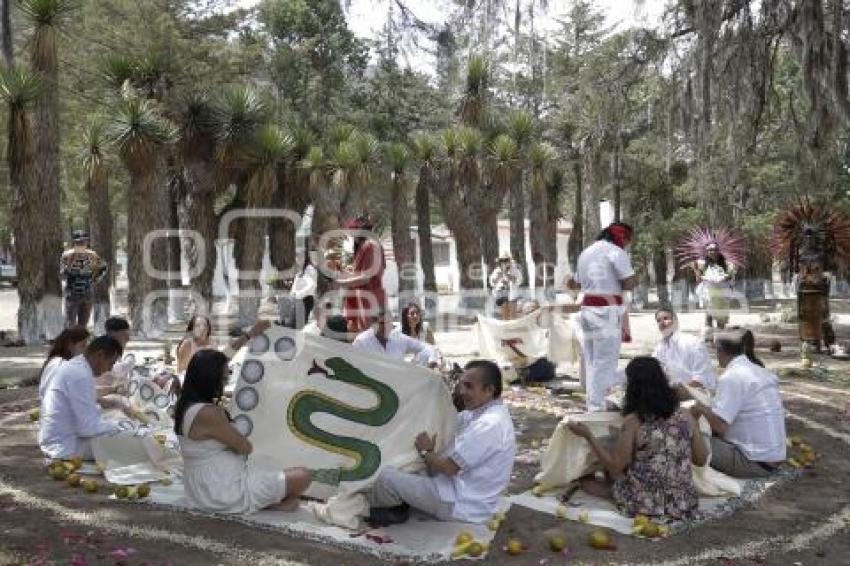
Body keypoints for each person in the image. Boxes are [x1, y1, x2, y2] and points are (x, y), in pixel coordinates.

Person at [366, 360, 515, 526]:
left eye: (469, 386)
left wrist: (426, 452)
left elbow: (449, 468)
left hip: (462, 504)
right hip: (463, 494)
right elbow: (448, 418)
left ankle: (394, 512)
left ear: (489, 390)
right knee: (410, 466)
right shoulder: (480, 413)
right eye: (461, 385)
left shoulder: (490, 424)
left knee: (386, 477)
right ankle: (403, 501)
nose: (462, 391)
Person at [567, 357, 708, 520]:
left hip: (645, 502)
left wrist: (588, 436)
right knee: (621, 465)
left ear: (632, 387)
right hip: (683, 500)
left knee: (587, 480)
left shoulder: (634, 421)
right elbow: (701, 459)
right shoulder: (685, 415)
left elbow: (615, 467)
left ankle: (611, 490)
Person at [174, 349, 311, 513]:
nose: (224, 383)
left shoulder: (184, 406)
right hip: (222, 492)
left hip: (199, 489)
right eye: (224, 378)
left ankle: (267, 500)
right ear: (212, 379)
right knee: (303, 476)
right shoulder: (208, 413)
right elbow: (245, 447)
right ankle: (267, 504)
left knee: (269, 467)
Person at [689, 330, 786, 478]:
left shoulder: (732, 377)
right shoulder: (759, 370)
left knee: (684, 437)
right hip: (773, 457)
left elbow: (720, 427)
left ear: (720, 351)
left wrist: (699, 408)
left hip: (753, 462)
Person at [567, 223, 636, 412]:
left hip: (587, 310)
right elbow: (629, 282)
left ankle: (593, 402)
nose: (628, 244)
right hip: (606, 310)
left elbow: (574, 283)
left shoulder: (586, 252)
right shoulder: (615, 252)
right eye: (629, 240)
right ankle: (598, 407)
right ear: (622, 237)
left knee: (592, 360)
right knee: (605, 361)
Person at [39, 336, 124, 460]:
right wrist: (118, 427)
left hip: (58, 439)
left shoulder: (78, 366)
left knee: (114, 421)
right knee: (132, 441)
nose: (110, 369)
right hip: (64, 446)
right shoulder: (80, 375)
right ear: (100, 355)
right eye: (111, 363)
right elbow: (87, 428)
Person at [337, 216, 386, 333]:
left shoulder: (369, 245)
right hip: (363, 300)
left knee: (369, 338)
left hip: (369, 300)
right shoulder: (365, 247)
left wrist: (341, 282)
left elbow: (366, 278)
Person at [176, 315, 270, 374]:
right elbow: (181, 371)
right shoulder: (187, 344)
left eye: (205, 325)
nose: (202, 328)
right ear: (192, 329)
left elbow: (219, 361)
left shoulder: (212, 341)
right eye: (198, 325)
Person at [652, 308, 717, 390]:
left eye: (665, 318)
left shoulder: (692, 342)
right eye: (658, 321)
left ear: (675, 321)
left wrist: (675, 393)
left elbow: (702, 379)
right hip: (674, 395)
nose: (662, 323)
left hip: (699, 394)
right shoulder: (660, 348)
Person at [352, 310, 441, 368]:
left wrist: (431, 361)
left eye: (388, 323)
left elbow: (429, 347)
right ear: (373, 324)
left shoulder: (398, 337)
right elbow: (353, 365)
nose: (386, 327)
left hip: (400, 382)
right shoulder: (361, 342)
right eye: (382, 323)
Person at [60, 230, 108, 328]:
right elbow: (62, 273)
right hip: (72, 292)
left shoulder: (92, 255)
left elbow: (103, 268)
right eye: (78, 242)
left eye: (83, 241)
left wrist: (94, 280)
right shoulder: (67, 255)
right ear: (74, 242)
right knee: (70, 322)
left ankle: (82, 341)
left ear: (87, 242)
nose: (81, 244)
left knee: (83, 322)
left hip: (87, 292)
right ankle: (71, 341)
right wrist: (72, 261)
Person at [694, 242, 735, 340]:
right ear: (706, 252)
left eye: (715, 249)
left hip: (722, 292)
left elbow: (731, 278)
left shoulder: (727, 264)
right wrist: (697, 271)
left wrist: (724, 278)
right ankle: (709, 339)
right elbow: (698, 280)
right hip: (709, 292)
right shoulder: (702, 264)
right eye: (710, 250)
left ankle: (720, 340)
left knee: (721, 318)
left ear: (718, 250)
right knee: (709, 316)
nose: (712, 252)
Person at [38, 326, 91, 400]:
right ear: (70, 345)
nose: (85, 350)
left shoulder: (68, 363)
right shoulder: (59, 364)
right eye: (82, 346)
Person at [489, 252, 523, 320]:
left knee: (513, 313)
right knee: (504, 310)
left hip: (512, 294)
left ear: (509, 261)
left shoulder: (514, 270)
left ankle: (512, 326)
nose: (504, 262)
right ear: (500, 262)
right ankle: (506, 325)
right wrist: (498, 277)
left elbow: (519, 280)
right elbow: (492, 283)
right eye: (502, 261)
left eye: (506, 260)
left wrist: (510, 277)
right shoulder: (497, 271)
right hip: (501, 294)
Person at [289, 249, 317, 329]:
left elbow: (311, 285)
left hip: (305, 300)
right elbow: (296, 284)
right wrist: (292, 294)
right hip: (299, 300)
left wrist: (298, 294)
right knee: (294, 325)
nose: (298, 259)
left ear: (306, 258)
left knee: (297, 326)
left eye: (301, 257)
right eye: (297, 257)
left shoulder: (309, 269)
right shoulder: (301, 269)